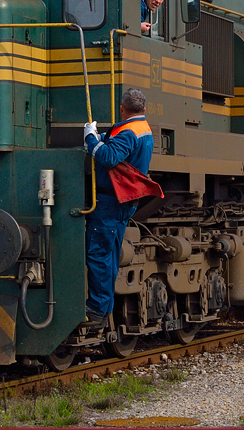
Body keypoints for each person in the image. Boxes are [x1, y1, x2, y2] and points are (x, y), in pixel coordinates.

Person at [81, 88, 156, 326]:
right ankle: (103, 309)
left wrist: (90, 139)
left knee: (100, 253)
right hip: (123, 200)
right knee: (109, 254)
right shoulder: (143, 128)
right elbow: (117, 141)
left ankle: (96, 310)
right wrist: (101, 136)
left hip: (109, 202)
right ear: (143, 109)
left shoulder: (128, 132)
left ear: (122, 108)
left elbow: (109, 157)